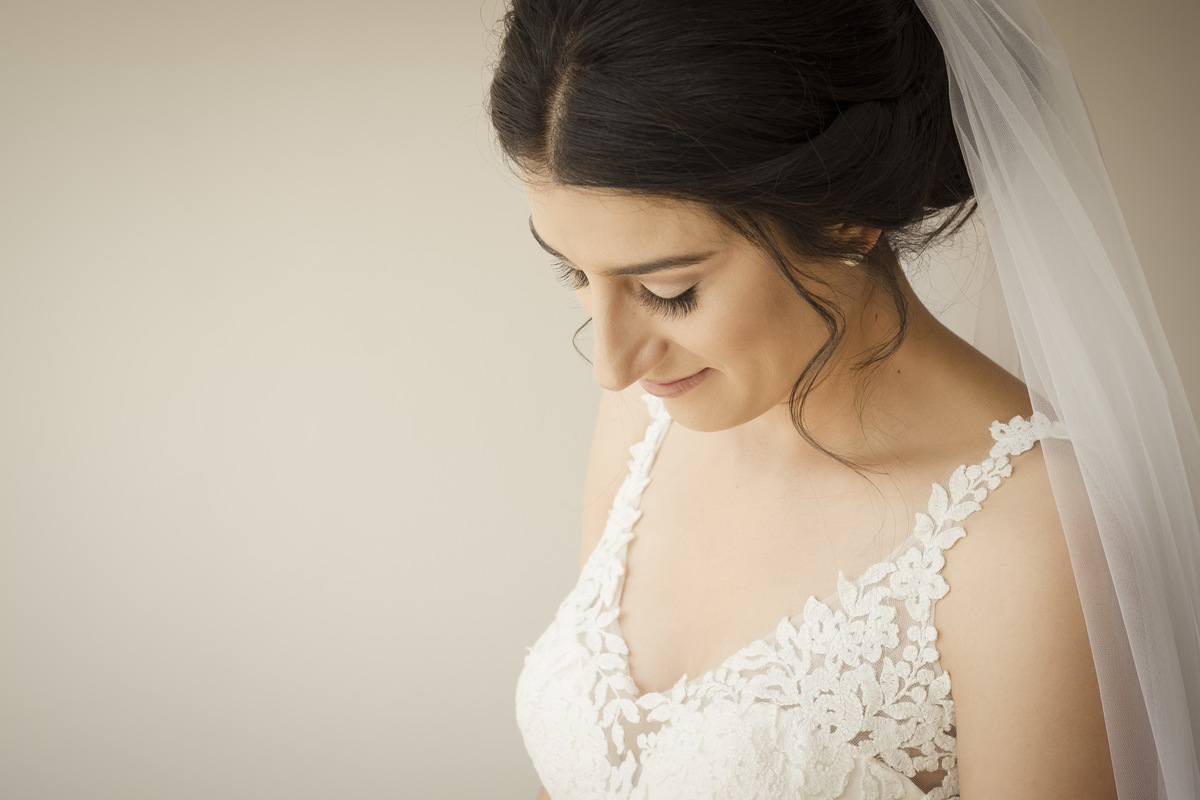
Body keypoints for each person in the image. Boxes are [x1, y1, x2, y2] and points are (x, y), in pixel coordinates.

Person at [489, 0, 1200, 797]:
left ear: (843, 217)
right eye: (574, 272)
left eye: (669, 291)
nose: (611, 366)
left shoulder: (1040, 537)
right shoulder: (652, 411)